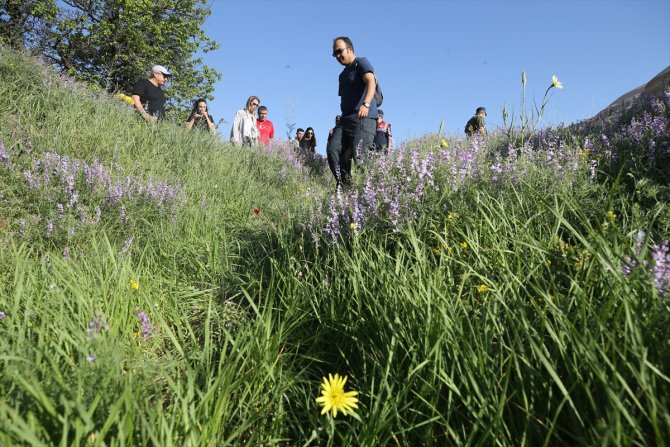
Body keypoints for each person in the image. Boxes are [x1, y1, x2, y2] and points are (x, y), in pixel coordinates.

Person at [328, 36, 379, 187]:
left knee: (361, 158)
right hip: (346, 120)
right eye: (334, 54)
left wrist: (366, 104)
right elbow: (345, 99)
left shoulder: (361, 62)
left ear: (349, 49)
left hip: (363, 119)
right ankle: (346, 188)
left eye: (340, 51)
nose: (337, 56)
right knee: (333, 149)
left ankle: (371, 193)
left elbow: (371, 81)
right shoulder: (342, 75)